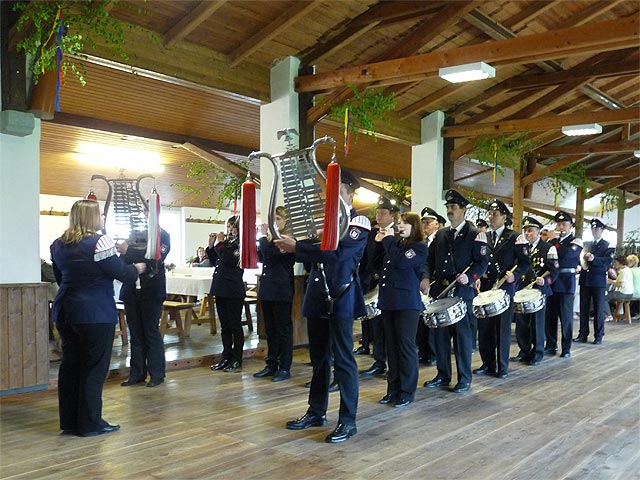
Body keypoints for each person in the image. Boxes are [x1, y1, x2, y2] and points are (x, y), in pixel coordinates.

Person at [277, 169, 370, 444]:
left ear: (351, 193)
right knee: (319, 359)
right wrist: (296, 244)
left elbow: (338, 255)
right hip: (318, 295)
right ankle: (316, 411)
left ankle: (348, 420)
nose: (332, 196)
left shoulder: (359, 222)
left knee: (344, 360)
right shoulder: (324, 223)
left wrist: (299, 248)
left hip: (342, 297)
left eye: (338, 190)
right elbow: (311, 251)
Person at [51, 199, 145, 436]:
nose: (102, 219)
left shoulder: (58, 244)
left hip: (65, 310)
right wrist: (138, 269)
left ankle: (70, 422)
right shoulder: (100, 241)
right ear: (92, 218)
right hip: (95, 313)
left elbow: (60, 277)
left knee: (70, 366)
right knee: (94, 368)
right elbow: (120, 273)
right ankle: (90, 423)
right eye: (99, 215)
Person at [421, 189, 488, 394]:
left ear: (463, 210)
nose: (450, 211)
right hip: (441, 292)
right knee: (440, 337)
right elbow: (429, 260)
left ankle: (464, 378)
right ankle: (443, 375)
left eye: (453, 207)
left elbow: (482, 263)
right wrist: (425, 277)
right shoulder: (441, 235)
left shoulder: (476, 235)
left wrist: (471, 277)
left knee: (461, 338)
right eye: (448, 207)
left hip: (462, 292)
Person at [473, 199, 530, 380]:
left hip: (505, 287)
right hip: (488, 287)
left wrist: (516, 275)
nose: (491, 217)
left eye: (495, 214)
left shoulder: (515, 237)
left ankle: (502, 366)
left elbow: (525, 262)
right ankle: (487, 363)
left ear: (504, 217)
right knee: (485, 328)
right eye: (489, 214)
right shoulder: (485, 237)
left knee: (502, 328)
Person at [376, 212, 426, 408]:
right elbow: (377, 264)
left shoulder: (419, 247)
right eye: (398, 223)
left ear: (414, 227)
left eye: (405, 223)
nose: (400, 226)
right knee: (391, 347)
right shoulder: (395, 245)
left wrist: (387, 239)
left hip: (406, 303)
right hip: (389, 301)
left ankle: (407, 391)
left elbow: (401, 262)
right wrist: (379, 242)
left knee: (405, 347)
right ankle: (393, 389)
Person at [118, 212, 171, 388]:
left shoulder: (162, 235)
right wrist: (127, 256)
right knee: (135, 333)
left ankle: (157, 373)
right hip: (132, 291)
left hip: (151, 291)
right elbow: (122, 261)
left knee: (150, 331)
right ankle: (137, 373)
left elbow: (155, 259)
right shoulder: (134, 235)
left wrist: (130, 252)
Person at [253, 206, 296, 382]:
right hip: (269, 289)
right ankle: (271, 364)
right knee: (270, 330)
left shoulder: (287, 240)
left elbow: (270, 256)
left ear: (286, 222)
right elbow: (262, 258)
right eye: (274, 219)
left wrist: (262, 237)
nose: (275, 222)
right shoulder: (272, 240)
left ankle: (284, 367)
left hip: (281, 289)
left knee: (283, 329)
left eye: (278, 218)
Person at [510, 216, 559, 366]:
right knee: (521, 322)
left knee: (537, 323)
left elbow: (554, 271)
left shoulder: (548, 248)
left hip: (539, 290)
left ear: (538, 232)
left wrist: (546, 281)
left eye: (530, 231)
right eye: (525, 230)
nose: (527, 234)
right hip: (522, 289)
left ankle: (537, 353)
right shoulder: (521, 247)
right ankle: (523, 351)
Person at [359, 196, 399, 377]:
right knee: (375, 324)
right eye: (378, 212)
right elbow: (367, 259)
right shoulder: (372, 233)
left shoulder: (397, 234)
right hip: (372, 283)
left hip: (390, 285)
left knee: (389, 328)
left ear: (392, 216)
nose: (379, 215)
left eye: (383, 212)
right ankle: (379, 361)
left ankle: (392, 364)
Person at [208, 215, 246, 372]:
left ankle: (237, 358)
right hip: (221, 289)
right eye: (229, 226)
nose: (230, 229)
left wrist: (220, 243)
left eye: (233, 227)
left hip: (233, 290)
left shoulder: (241, 245)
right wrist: (211, 247)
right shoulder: (227, 244)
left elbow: (228, 258)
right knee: (224, 326)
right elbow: (216, 260)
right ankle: (226, 357)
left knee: (235, 325)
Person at [544, 211, 583, 358]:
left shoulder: (576, 241)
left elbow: (566, 255)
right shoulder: (551, 242)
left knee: (566, 317)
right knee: (550, 316)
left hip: (566, 283)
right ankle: (551, 344)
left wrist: (554, 241)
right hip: (552, 282)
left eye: (564, 224)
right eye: (558, 224)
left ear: (570, 226)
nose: (560, 227)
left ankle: (566, 348)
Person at [575, 218, 615, 345]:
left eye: (596, 229)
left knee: (598, 309)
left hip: (598, 280)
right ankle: (583, 334)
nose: (594, 231)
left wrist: (594, 259)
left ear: (602, 230)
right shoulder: (586, 244)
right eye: (592, 228)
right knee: (583, 308)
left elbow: (608, 261)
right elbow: (580, 258)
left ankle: (598, 335)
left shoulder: (607, 245)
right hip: (585, 279)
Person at [416, 206, 445, 366]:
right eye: (424, 222)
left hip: (434, 284)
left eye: (429, 222)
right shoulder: (421, 241)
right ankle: (423, 351)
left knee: (432, 320)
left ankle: (433, 353)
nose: (425, 225)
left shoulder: (441, 239)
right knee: (421, 320)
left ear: (437, 224)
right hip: (420, 285)